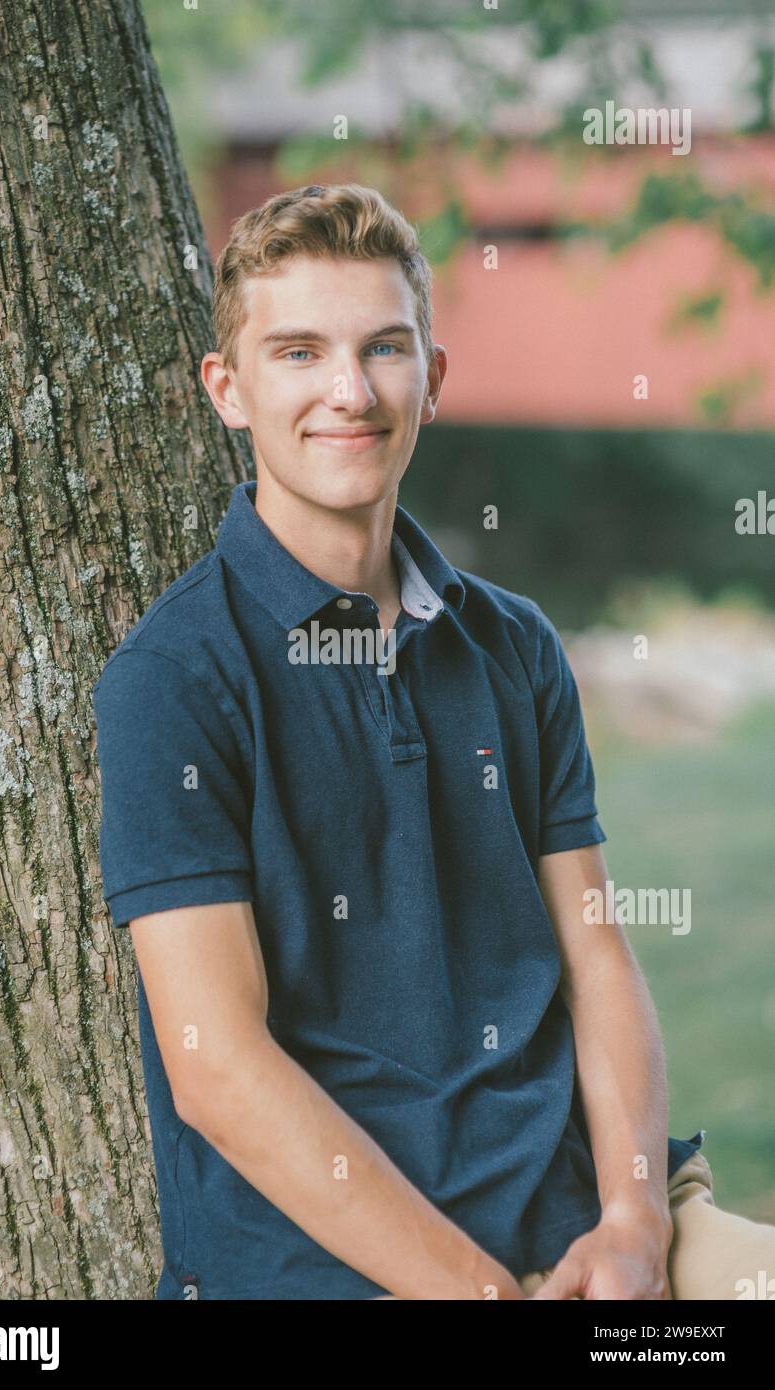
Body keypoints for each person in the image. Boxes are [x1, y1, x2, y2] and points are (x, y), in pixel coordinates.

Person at [92, 183, 775, 1300]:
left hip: (580, 1219)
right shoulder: (174, 680)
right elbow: (217, 1066)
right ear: (229, 389)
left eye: (384, 349)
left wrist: (635, 1220)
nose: (349, 392)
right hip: (333, 1269)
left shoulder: (513, 643)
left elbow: (598, 954)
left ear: (434, 378)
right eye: (300, 352)